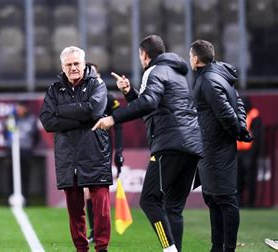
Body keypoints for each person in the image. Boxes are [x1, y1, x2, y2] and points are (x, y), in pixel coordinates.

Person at [93, 35, 204, 252]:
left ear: (144, 55)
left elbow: (149, 102)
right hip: (191, 145)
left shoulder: (153, 71)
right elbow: (153, 106)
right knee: (173, 207)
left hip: (170, 145)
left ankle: (169, 248)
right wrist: (130, 93)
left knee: (149, 200)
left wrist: (114, 118)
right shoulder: (176, 73)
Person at [39, 46, 112, 252]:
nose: (73, 68)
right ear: (62, 67)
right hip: (68, 156)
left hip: (95, 153)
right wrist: (82, 118)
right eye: (68, 65)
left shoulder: (97, 84)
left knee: (101, 209)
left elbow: (94, 110)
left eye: (76, 63)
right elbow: (47, 121)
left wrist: (61, 112)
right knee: (74, 210)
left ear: (84, 63)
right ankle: (81, 249)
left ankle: (102, 248)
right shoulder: (54, 89)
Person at [189, 39, 252, 252]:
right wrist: (241, 127)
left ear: (195, 59)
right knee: (214, 199)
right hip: (212, 147)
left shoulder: (207, 80)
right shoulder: (220, 76)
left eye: (190, 56)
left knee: (225, 199)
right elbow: (238, 102)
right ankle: (217, 247)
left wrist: (239, 131)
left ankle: (228, 249)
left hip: (215, 149)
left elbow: (225, 112)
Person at [85, 62, 124, 244]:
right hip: (84, 149)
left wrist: (119, 150)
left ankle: (100, 233)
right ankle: (93, 231)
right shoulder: (80, 96)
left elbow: (119, 123)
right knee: (87, 193)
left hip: (102, 150)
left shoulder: (107, 97)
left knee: (99, 192)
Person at [5, 100, 40, 205]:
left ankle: (25, 197)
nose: (19, 109)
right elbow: (6, 134)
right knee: (11, 175)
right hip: (12, 151)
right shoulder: (11, 119)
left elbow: (36, 136)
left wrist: (30, 147)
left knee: (25, 175)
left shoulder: (31, 119)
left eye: (21, 107)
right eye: (18, 107)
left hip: (26, 151)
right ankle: (11, 197)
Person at [236, 96, 263, 208]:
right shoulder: (237, 115)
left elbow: (258, 136)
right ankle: (239, 202)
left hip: (250, 152)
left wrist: (255, 153)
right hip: (238, 152)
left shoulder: (254, 115)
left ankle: (251, 203)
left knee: (250, 178)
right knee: (238, 179)